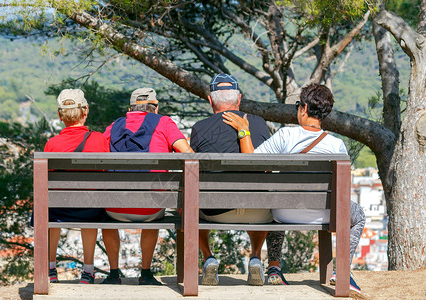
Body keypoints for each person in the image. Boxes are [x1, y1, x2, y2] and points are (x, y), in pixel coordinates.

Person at [222, 83, 366, 293]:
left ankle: (274, 268)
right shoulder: (336, 146)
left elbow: (252, 164)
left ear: (304, 108)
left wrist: (244, 131)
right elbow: (343, 191)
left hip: (284, 213)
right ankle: (342, 270)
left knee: (274, 200)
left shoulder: (285, 136)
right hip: (325, 215)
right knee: (359, 215)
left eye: (298, 105)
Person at [190, 73, 279, 286]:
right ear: (239, 100)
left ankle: (208, 257)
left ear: (211, 101)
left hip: (215, 212)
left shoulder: (200, 128)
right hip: (258, 213)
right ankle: (256, 257)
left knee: (191, 200)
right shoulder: (258, 124)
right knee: (259, 196)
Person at [101, 87, 193, 285]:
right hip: (150, 209)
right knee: (153, 203)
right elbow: (189, 154)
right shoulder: (164, 123)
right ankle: (146, 273)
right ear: (156, 107)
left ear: (131, 109)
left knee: (105, 211)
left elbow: (98, 153)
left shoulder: (114, 126)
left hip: (114, 208)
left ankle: (114, 274)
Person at [43, 89, 110, 284]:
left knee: (49, 208)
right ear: (85, 111)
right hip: (90, 210)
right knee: (90, 205)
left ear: (60, 115)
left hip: (59, 208)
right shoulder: (99, 139)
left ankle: (50, 269)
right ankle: (88, 272)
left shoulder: (52, 144)